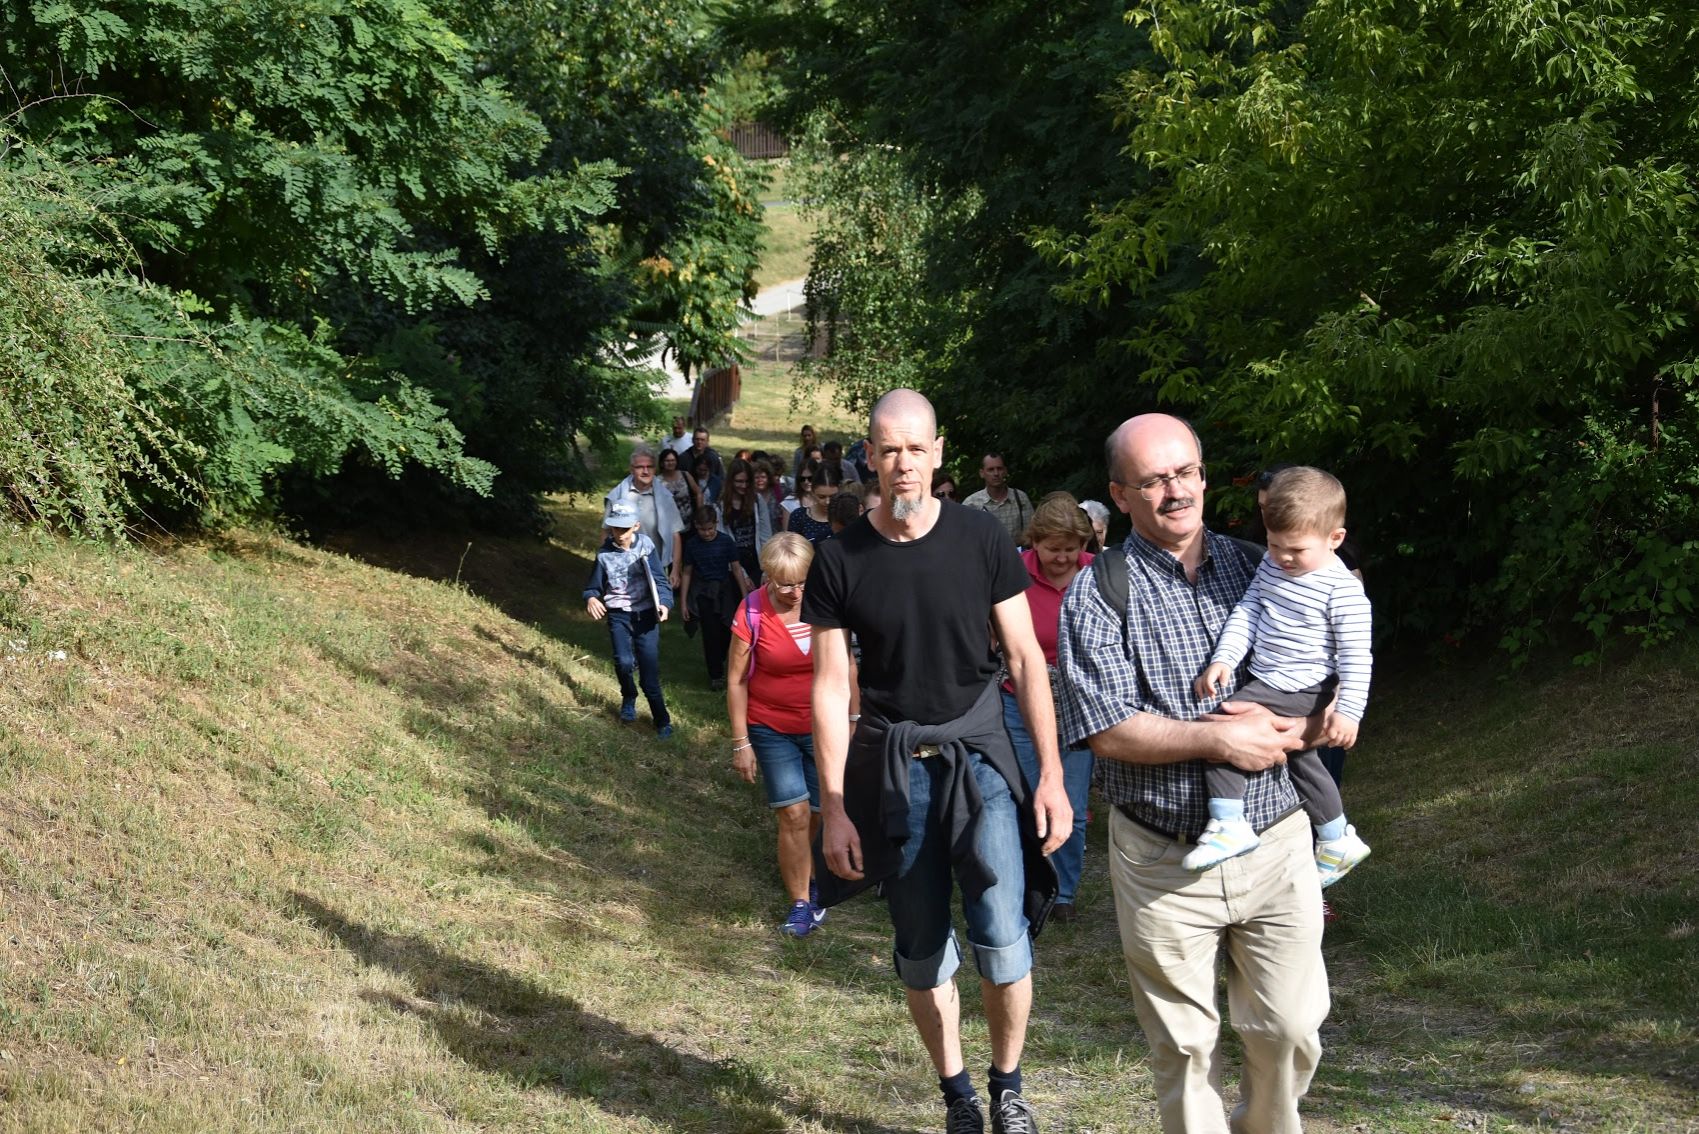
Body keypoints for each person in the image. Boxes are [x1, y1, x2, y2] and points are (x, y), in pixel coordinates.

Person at [1057, 413, 1333, 1134]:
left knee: (1291, 1029)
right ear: (1120, 495)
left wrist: (1300, 728)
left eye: (1185, 473)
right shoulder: (1099, 591)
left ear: (1204, 478)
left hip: (1275, 843)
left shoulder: (1267, 566)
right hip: (1162, 858)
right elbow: (1106, 728)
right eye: (1153, 480)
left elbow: (1330, 679)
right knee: (1183, 1049)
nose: (1175, 491)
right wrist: (1219, 743)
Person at [805, 388, 1071, 1134]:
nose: (903, 464)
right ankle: (957, 1094)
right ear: (868, 456)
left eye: (916, 449)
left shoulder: (981, 538)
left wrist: (1050, 775)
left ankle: (1007, 1087)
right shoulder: (839, 559)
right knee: (920, 949)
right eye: (889, 450)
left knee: (1002, 934)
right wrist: (834, 808)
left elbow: (1024, 657)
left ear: (938, 452)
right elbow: (831, 689)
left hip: (980, 758)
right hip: (896, 772)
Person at [1189, 467, 1373, 884]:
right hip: (1271, 677)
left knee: (1222, 727)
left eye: (1296, 549)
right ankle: (1336, 837)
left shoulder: (1342, 591)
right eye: (1273, 544)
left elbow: (1356, 658)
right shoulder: (1272, 567)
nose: (1283, 557)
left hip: (1304, 684)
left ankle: (1228, 822)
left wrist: (1348, 712)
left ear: (1335, 538)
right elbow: (1249, 610)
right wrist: (1225, 658)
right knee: (1303, 760)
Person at [727, 533, 858, 937]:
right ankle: (800, 902)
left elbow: (848, 666)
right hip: (771, 728)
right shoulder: (752, 611)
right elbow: (736, 680)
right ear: (767, 576)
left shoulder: (826, 602)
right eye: (786, 584)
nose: (796, 592)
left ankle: (812, 874)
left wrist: (853, 721)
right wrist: (741, 742)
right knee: (794, 814)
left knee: (819, 812)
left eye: (802, 582)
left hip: (824, 728)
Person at [999, 493, 1096, 924]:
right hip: (1020, 701)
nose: (1061, 558)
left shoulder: (1096, 574)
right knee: (1024, 798)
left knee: (1070, 801)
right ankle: (1027, 883)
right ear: (1034, 542)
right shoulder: (1014, 574)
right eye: (1052, 548)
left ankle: (1063, 891)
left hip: (1077, 708)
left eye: (1070, 549)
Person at [582, 499, 674, 740]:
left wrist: (664, 603)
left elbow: (660, 580)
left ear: (636, 526)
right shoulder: (604, 554)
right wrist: (591, 599)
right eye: (615, 528)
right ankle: (629, 696)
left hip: (646, 616)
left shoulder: (646, 546)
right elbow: (592, 587)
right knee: (623, 662)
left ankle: (662, 721)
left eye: (625, 528)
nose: (620, 533)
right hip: (619, 615)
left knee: (649, 677)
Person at [679, 503, 752, 690]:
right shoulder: (692, 545)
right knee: (710, 633)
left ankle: (721, 659)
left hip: (724, 591)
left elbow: (736, 569)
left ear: (716, 524)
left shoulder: (726, 541)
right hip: (703, 592)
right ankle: (716, 674)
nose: (707, 533)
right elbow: (687, 572)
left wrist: (745, 597)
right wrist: (684, 602)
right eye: (702, 529)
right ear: (696, 526)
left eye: (710, 529)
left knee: (727, 630)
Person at [603, 447, 684, 591]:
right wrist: (606, 564)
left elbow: (675, 535)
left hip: (655, 565)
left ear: (655, 469)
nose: (645, 471)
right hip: (623, 565)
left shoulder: (665, 497)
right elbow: (606, 531)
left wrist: (675, 570)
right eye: (640, 467)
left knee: (656, 603)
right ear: (631, 469)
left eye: (650, 467)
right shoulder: (617, 496)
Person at [719, 458, 784, 586]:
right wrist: (742, 575)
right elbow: (724, 543)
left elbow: (766, 536)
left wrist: (766, 569)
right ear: (731, 481)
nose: (744, 486)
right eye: (739, 481)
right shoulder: (720, 506)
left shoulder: (757, 501)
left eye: (747, 481)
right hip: (733, 566)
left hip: (757, 562)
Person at [962, 453, 1033, 545]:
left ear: (1005, 471)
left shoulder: (1020, 498)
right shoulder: (971, 504)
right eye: (990, 470)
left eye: (999, 469)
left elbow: (1031, 534)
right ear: (982, 473)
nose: (996, 473)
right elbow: (965, 539)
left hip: (1017, 553)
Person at [786, 460, 842, 545]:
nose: (827, 502)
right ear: (812, 491)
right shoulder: (799, 516)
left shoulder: (845, 515)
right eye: (821, 497)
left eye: (832, 496)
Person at [656, 446, 702, 523]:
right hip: (669, 523)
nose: (670, 463)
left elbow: (698, 493)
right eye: (667, 461)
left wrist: (700, 512)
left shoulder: (685, 475)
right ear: (661, 463)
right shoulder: (657, 481)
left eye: (673, 460)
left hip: (690, 522)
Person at [684, 427, 726, 503]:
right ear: (692, 440)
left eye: (702, 440)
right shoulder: (684, 458)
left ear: (707, 441)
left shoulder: (714, 457)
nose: (699, 442)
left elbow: (721, 477)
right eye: (697, 439)